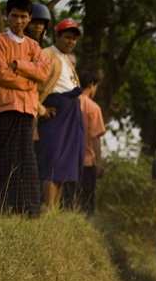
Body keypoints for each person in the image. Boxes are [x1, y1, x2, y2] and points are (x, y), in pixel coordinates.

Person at [0, 0, 51, 217]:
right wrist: (28, 80)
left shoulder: (34, 46)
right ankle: (0, 206)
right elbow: (0, 74)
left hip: (27, 110)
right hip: (5, 108)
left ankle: (28, 209)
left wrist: (19, 65)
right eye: (14, 16)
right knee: (4, 157)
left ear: (30, 17)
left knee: (26, 160)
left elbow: (43, 73)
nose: (19, 21)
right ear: (7, 16)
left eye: (24, 17)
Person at [35, 19, 85, 212]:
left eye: (74, 39)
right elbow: (34, 85)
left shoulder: (67, 59)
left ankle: (54, 209)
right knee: (54, 159)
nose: (71, 41)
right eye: (67, 37)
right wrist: (41, 108)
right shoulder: (47, 54)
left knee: (65, 162)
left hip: (71, 111)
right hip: (55, 109)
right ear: (57, 36)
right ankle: (46, 206)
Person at [76, 70, 106, 215]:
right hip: (87, 161)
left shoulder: (71, 102)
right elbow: (95, 137)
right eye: (95, 87)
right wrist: (99, 161)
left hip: (68, 159)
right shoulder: (93, 108)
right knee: (86, 200)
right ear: (91, 85)